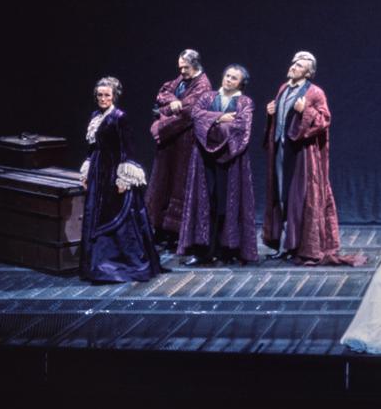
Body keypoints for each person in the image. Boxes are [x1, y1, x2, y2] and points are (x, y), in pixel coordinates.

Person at [261, 51, 363, 265]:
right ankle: (285, 245)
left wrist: (305, 109)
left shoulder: (315, 92)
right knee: (281, 196)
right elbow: (281, 117)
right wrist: (271, 112)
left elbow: (324, 120)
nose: (293, 66)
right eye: (294, 63)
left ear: (308, 73)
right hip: (281, 149)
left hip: (301, 153)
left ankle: (300, 246)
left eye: (299, 65)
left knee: (299, 198)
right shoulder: (283, 88)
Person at [80, 76, 165, 284]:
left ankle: (118, 264)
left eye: (107, 95)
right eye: (100, 95)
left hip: (113, 173)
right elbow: (92, 148)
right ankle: (95, 266)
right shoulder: (95, 116)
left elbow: (127, 148)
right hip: (98, 173)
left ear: (114, 96)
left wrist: (123, 178)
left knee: (119, 214)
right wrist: (86, 172)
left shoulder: (119, 117)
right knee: (95, 214)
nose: (103, 99)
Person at [183, 64, 258, 264]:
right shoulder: (208, 97)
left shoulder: (245, 102)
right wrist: (219, 118)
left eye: (234, 78)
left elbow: (240, 127)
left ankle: (227, 250)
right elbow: (196, 115)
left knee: (226, 203)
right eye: (227, 75)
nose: (228, 80)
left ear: (241, 83)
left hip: (230, 158)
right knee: (205, 201)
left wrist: (213, 126)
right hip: (205, 158)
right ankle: (204, 251)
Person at [150, 49, 214, 258]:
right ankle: (160, 228)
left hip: (185, 142)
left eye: (185, 68)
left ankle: (175, 233)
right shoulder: (181, 80)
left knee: (180, 184)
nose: (182, 71)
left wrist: (161, 118)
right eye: (180, 68)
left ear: (195, 65)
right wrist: (171, 103)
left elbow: (188, 112)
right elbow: (163, 93)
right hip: (171, 141)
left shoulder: (203, 85)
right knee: (163, 183)